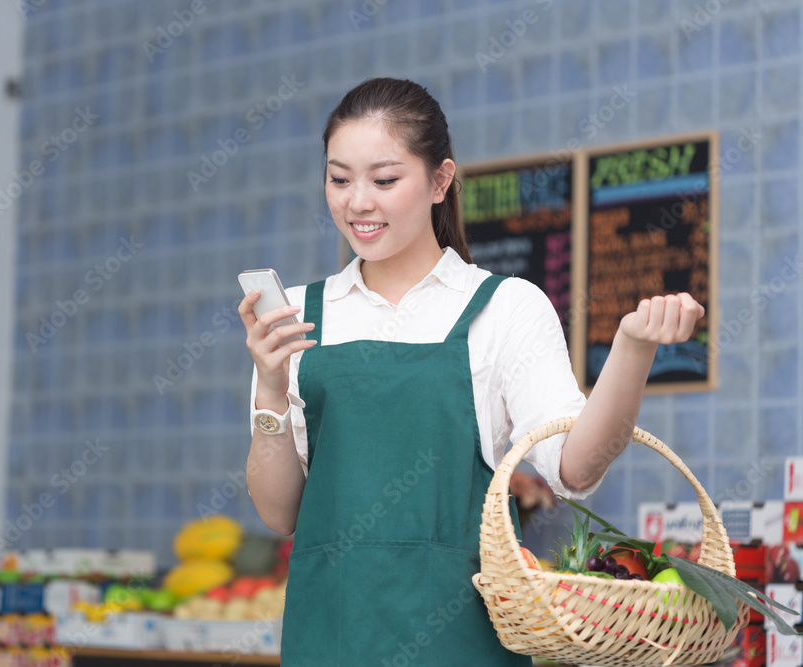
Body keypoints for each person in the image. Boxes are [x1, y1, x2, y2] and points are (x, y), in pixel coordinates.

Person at [237, 77, 704, 666]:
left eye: (384, 180)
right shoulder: (294, 318)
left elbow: (576, 467)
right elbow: (279, 514)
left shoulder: (507, 307)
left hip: (460, 643)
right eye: (338, 179)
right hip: (329, 639)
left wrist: (632, 349)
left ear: (439, 181)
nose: (357, 202)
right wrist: (272, 390)